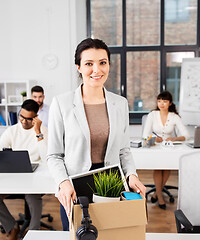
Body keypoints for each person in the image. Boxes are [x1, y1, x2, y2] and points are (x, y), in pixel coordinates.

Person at [47, 38, 146, 230]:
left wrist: (131, 175)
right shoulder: (62, 103)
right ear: (78, 67)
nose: (96, 70)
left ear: (109, 64)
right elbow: (54, 155)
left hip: (111, 186)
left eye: (102, 62)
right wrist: (63, 183)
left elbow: (124, 150)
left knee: (112, 234)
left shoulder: (120, 103)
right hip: (75, 189)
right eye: (89, 64)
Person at [0, 99, 47, 240]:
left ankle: (34, 232)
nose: (24, 121)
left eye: (29, 119)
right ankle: (11, 227)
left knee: (33, 198)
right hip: (14, 177)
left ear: (36, 117)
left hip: (35, 178)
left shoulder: (43, 132)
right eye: (22, 116)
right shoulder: (11, 131)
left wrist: (38, 132)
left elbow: (46, 157)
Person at [142, 91, 190, 210]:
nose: (161, 104)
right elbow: (145, 135)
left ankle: (155, 194)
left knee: (166, 167)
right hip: (155, 147)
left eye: (164, 101)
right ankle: (160, 196)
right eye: (159, 101)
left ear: (170, 103)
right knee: (159, 167)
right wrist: (154, 138)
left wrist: (175, 138)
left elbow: (186, 135)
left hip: (168, 147)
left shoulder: (174, 117)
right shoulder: (152, 115)